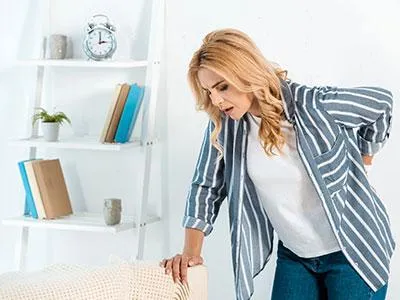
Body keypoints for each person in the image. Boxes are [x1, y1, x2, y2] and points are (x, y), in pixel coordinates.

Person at [159, 28, 395, 300]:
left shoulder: (314, 105)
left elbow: (381, 104)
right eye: (208, 91)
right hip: (296, 255)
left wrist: (365, 157)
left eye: (222, 86)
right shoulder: (226, 125)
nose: (216, 100)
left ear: (245, 72)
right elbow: (206, 186)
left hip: (353, 250)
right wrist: (191, 253)